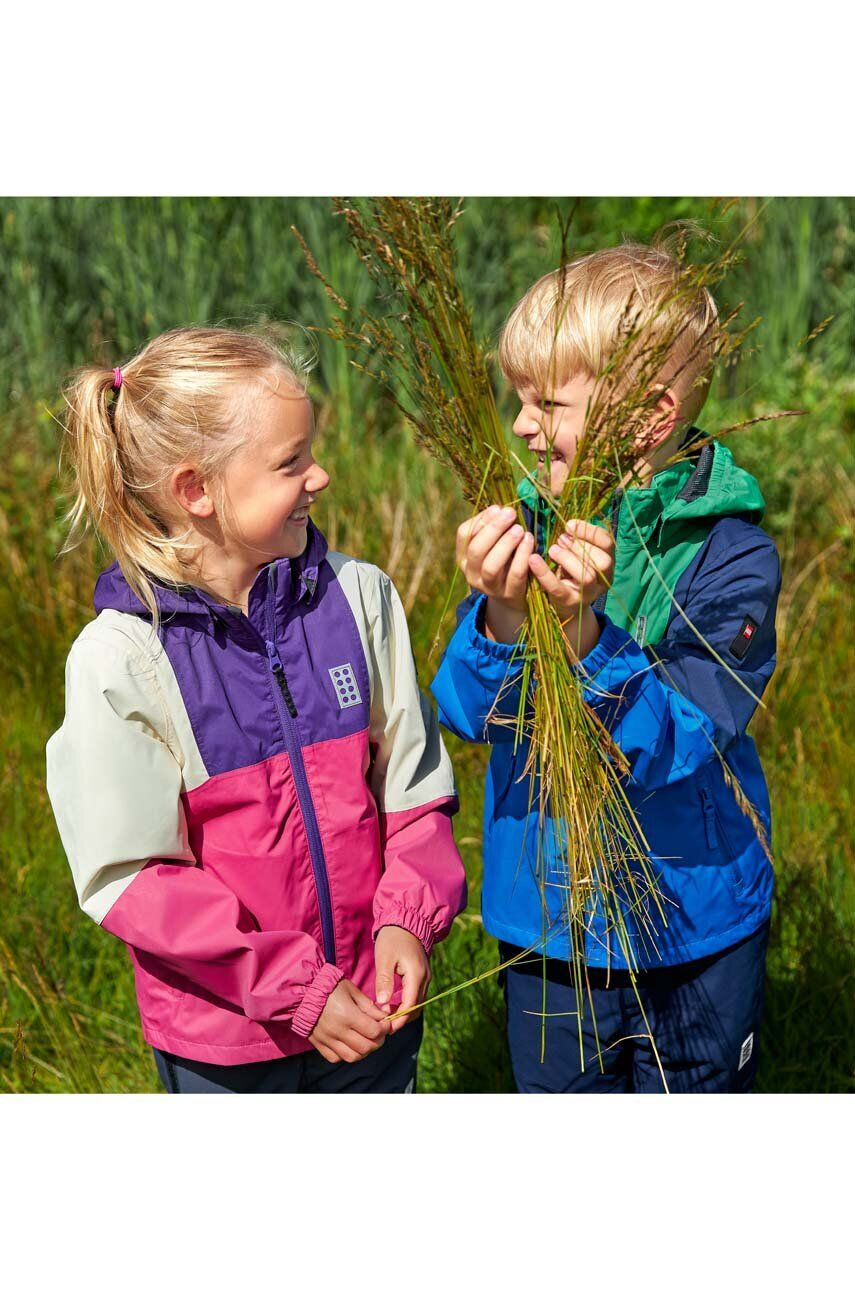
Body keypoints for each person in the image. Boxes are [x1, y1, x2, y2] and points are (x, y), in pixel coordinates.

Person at [46, 326, 466, 1094]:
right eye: (290, 462)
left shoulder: (358, 597)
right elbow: (133, 875)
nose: (320, 476)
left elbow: (411, 789)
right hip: (227, 1048)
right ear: (196, 490)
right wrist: (298, 990)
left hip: (375, 1014)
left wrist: (407, 916)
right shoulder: (121, 660)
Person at [431, 243, 780, 1093]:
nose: (520, 425)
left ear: (647, 417)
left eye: (545, 402)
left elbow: (682, 737)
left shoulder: (729, 555)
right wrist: (504, 613)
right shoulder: (529, 524)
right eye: (518, 399)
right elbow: (466, 711)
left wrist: (586, 640)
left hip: (694, 918)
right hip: (550, 922)